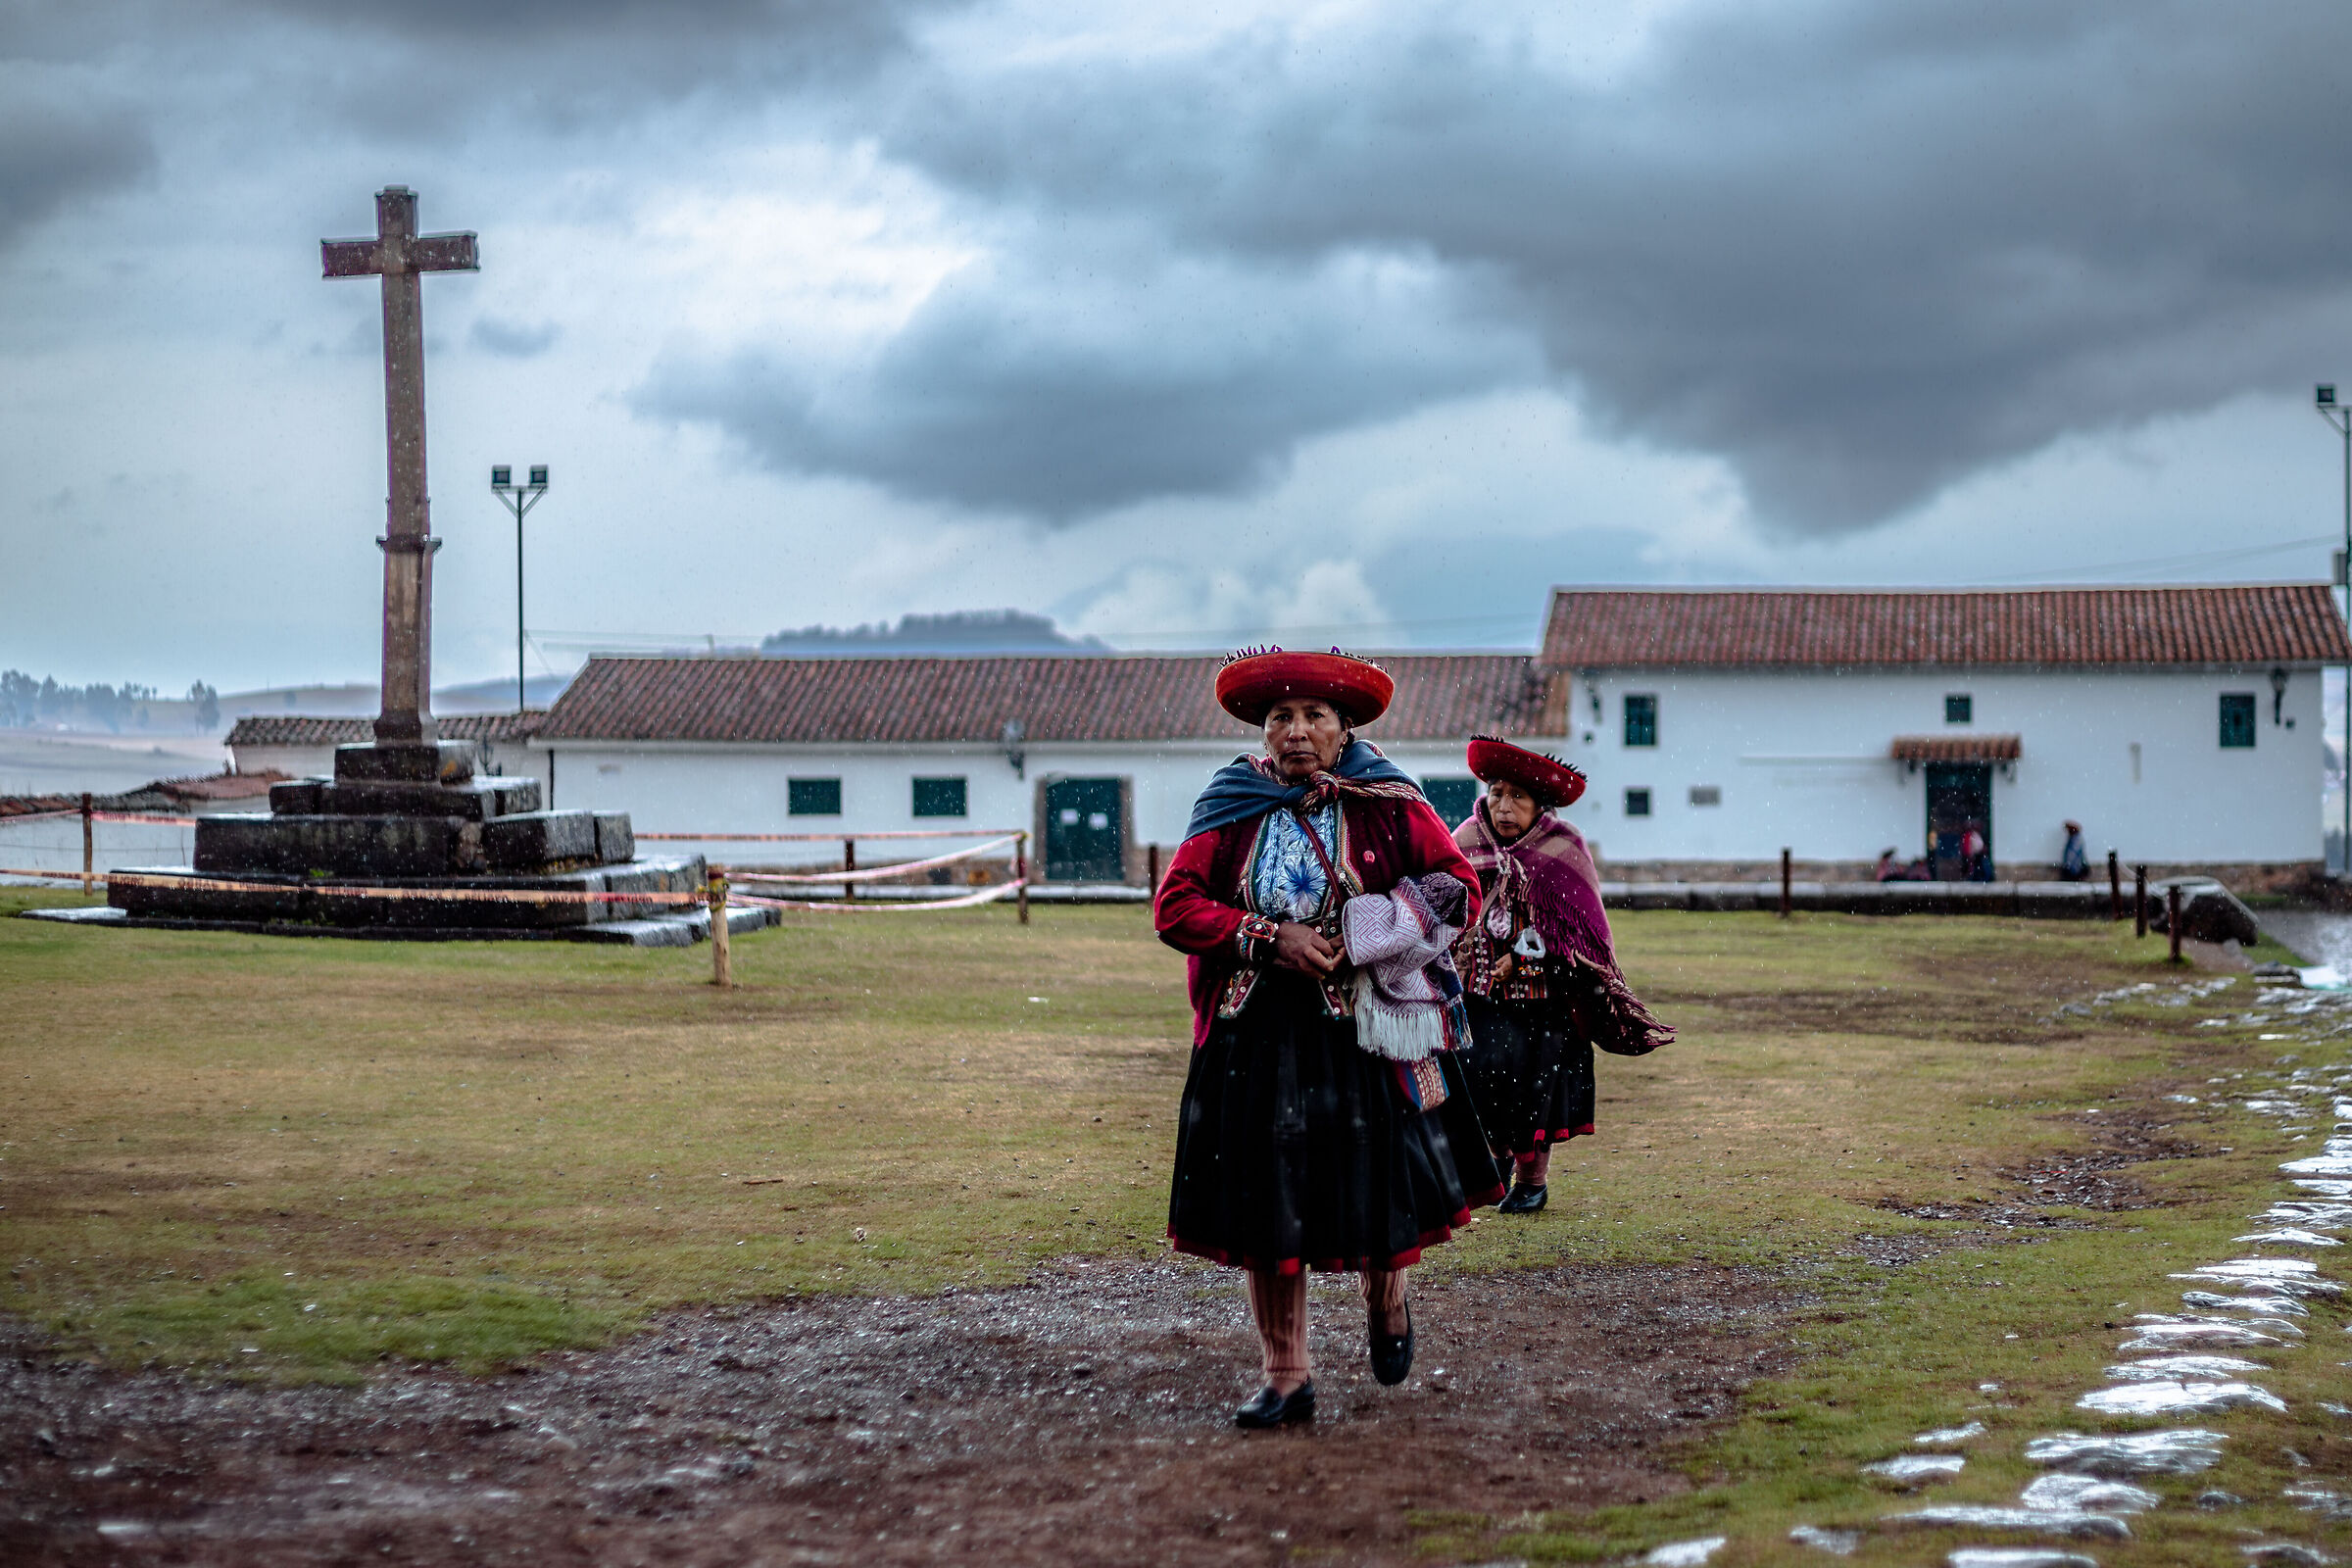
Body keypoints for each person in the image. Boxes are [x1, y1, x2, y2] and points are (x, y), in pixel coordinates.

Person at [1155, 649, 1504, 1428]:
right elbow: (1175, 906)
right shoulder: (1231, 804)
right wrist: (1264, 936)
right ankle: (1287, 1376)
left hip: (1364, 1035)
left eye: (1315, 715)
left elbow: (1457, 887)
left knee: (1377, 1191)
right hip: (1255, 1040)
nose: (1297, 731)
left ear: (1345, 727)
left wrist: (1371, 931)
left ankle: (1387, 1301)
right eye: (1281, 717)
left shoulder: (1388, 800)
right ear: (1262, 730)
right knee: (1268, 1208)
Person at [1452, 736, 1674, 1214]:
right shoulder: (1466, 841)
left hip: (1544, 1003)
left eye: (1518, 797)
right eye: (1496, 793)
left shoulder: (1562, 847)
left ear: (1540, 805)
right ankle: (1495, 1166)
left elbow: (1579, 935)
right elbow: (1447, 910)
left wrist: (1526, 957)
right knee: (1480, 1083)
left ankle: (1532, 1183)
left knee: (1533, 1092)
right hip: (1480, 997)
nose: (1503, 807)